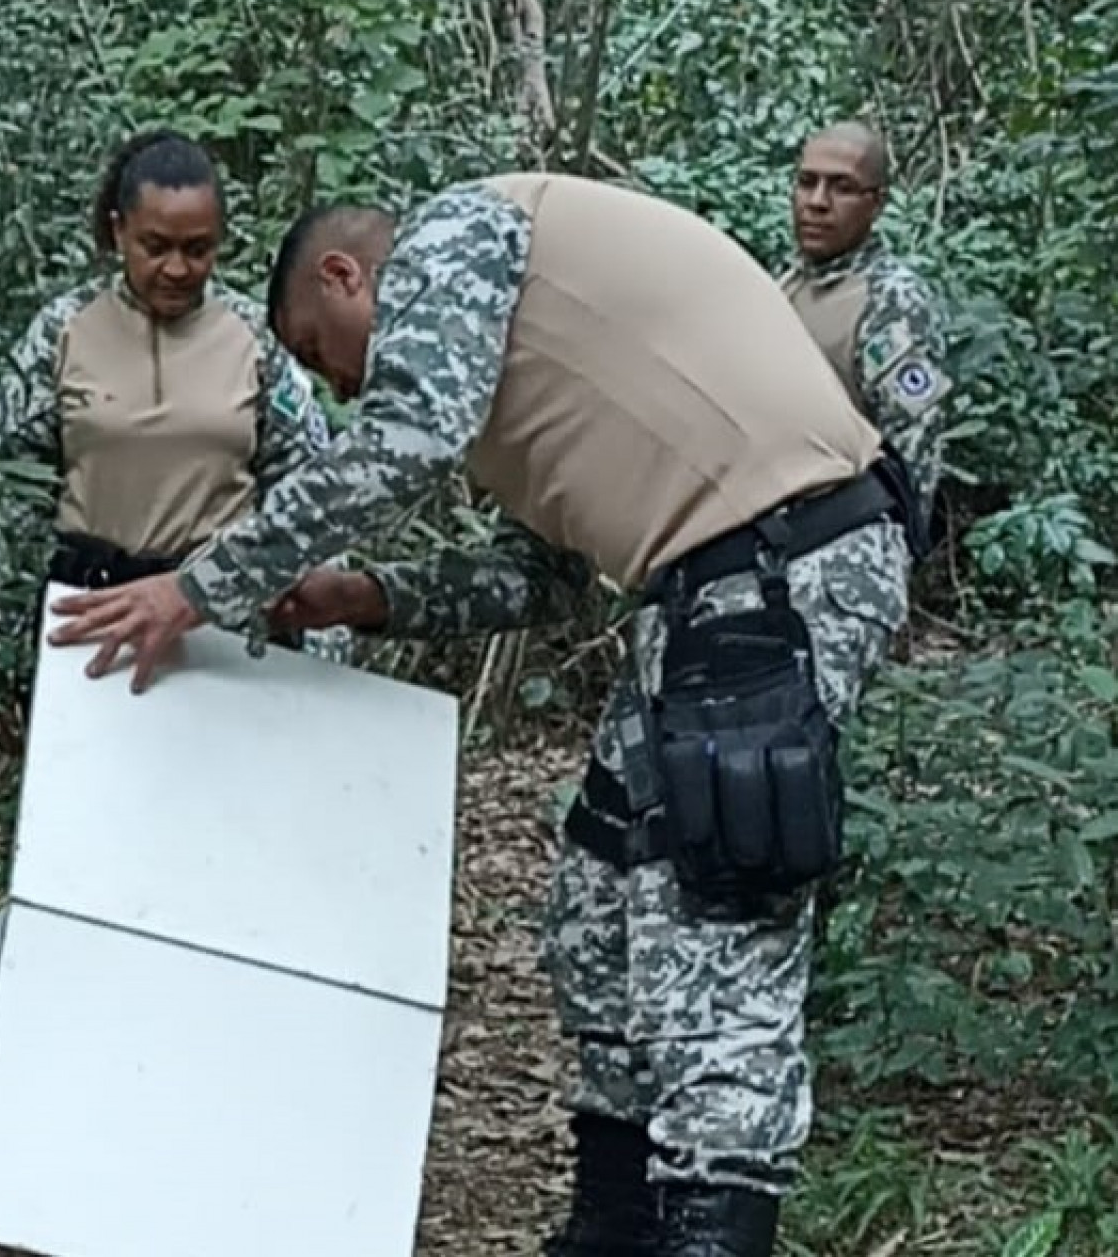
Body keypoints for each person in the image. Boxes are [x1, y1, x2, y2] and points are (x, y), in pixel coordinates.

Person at [46, 172, 917, 1257]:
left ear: (349, 274)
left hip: (786, 565)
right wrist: (365, 595)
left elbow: (406, 436)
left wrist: (199, 585)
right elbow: (542, 576)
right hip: (697, 596)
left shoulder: (463, 232)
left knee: (714, 938)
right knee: (597, 913)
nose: (343, 387)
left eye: (325, 352)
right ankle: (612, 1225)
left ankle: (710, 1228)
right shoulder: (513, 374)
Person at [0, 130, 333, 741]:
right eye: (156, 246)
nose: (177, 268)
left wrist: (322, 646)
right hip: (90, 614)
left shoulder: (255, 338)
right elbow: (10, 498)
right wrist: (0, 654)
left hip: (222, 615)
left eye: (198, 249)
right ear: (119, 232)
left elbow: (310, 494)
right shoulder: (60, 334)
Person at [780, 120, 950, 526]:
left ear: (876, 203)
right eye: (807, 182)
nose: (817, 202)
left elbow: (913, 449)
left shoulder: (892, 300)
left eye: (841, 187)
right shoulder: (785, 283)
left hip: (846, 549)